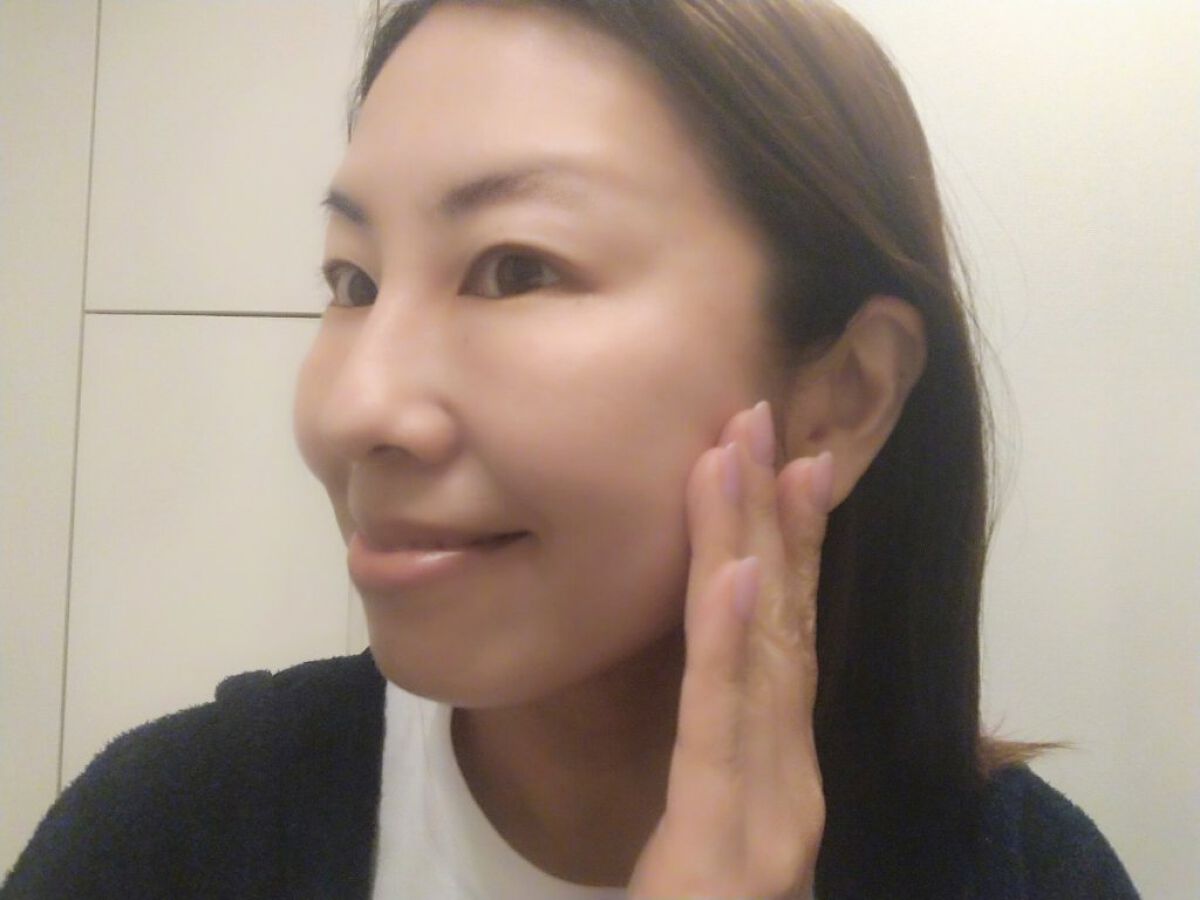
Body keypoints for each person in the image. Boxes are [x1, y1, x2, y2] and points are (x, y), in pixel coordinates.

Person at [2, 1, 1140, 897]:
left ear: (842, 398)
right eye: (353, 281)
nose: (353, 409)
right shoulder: (170, 834)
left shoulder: (1026, 878)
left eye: (516, 269)